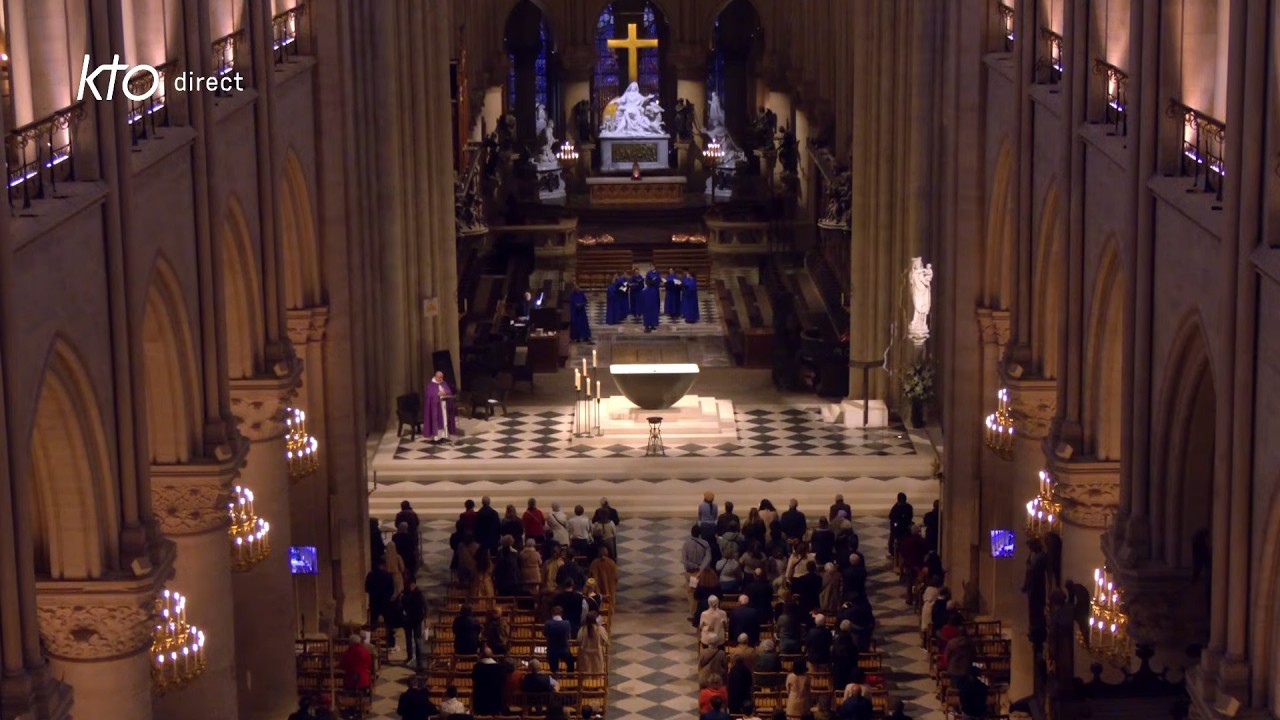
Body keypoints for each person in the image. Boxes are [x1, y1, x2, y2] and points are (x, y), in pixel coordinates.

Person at [683, 524, 713, 621]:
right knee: (703, 592)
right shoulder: (705, 544)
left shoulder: (686, 544)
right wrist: (701, 568)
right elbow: (708, 558)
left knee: (692, 594)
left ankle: (694, 615)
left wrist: (695, 567)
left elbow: (685, 561)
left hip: (691, 573)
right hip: (703, 573)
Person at [424, 370, 458, 442]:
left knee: (445, 420)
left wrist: (445, 392)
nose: (441, 379)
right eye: (439, 377)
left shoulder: (444, 383)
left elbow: (449, 391)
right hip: (435, 407)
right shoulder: (431, 385)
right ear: (436, 377)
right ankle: (437, 437)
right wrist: (437, 394)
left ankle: (444, 436)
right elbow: (429, 395)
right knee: (437, 421)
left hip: (444, 406)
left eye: (442, 377)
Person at [472, 647, 508, 714]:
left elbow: (474, 682)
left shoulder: (477, 667)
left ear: (481, 655)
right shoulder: (500, 668)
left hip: (481, 703)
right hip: (497, 703)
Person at [401, 578, 428, 669]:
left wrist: (425, 618)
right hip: (408, 620)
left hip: (417, 620)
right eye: (409, 585)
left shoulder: (418, 594)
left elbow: (425, 606)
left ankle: (419, 661)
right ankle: (410, 656)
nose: (410, 587)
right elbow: (402, 605)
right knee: (408, 639)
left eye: (412, 585)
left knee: (417, 640)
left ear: (415, 585)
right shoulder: (405, 592)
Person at [545, 605, 575, 673]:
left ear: (552, 613)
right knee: (570, 662)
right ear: (562, 614)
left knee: (554, 669)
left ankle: (555, 676)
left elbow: (545, 633)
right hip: (564, 650)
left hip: (552, 651)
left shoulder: (548, 624)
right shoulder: (567, 623)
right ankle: (570, 675)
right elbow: (568, 635)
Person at [888, 493, 914, 557]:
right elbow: (892, 518)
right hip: (902, 526)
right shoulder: (907, 507)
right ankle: (894, 551)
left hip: (902, 526)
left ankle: (894, 551)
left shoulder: (897, 507)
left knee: (895, 536)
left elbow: (891, 517)